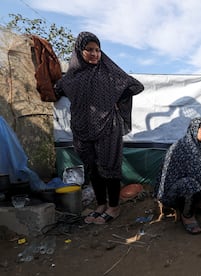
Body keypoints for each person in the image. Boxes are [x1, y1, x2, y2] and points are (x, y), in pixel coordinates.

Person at [54, 32, 144, 224]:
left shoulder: (108, 73)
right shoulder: (71, 78)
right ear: (79, 51)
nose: (95, 54)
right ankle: (101, 204)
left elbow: (134, 86)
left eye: (98, 50)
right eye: (90, 50)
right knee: (92, 168)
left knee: (109, 167)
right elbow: (56, 90)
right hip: (81, 128)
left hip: (107, 127)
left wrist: (117, 101)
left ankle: (114, 206)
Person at [154, 117, 201, 234]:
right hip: (169, 192)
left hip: (187, 182)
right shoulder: (186, 146)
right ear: (194, 129)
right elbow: (197, 175)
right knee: (190, 183)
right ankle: (187, 216)